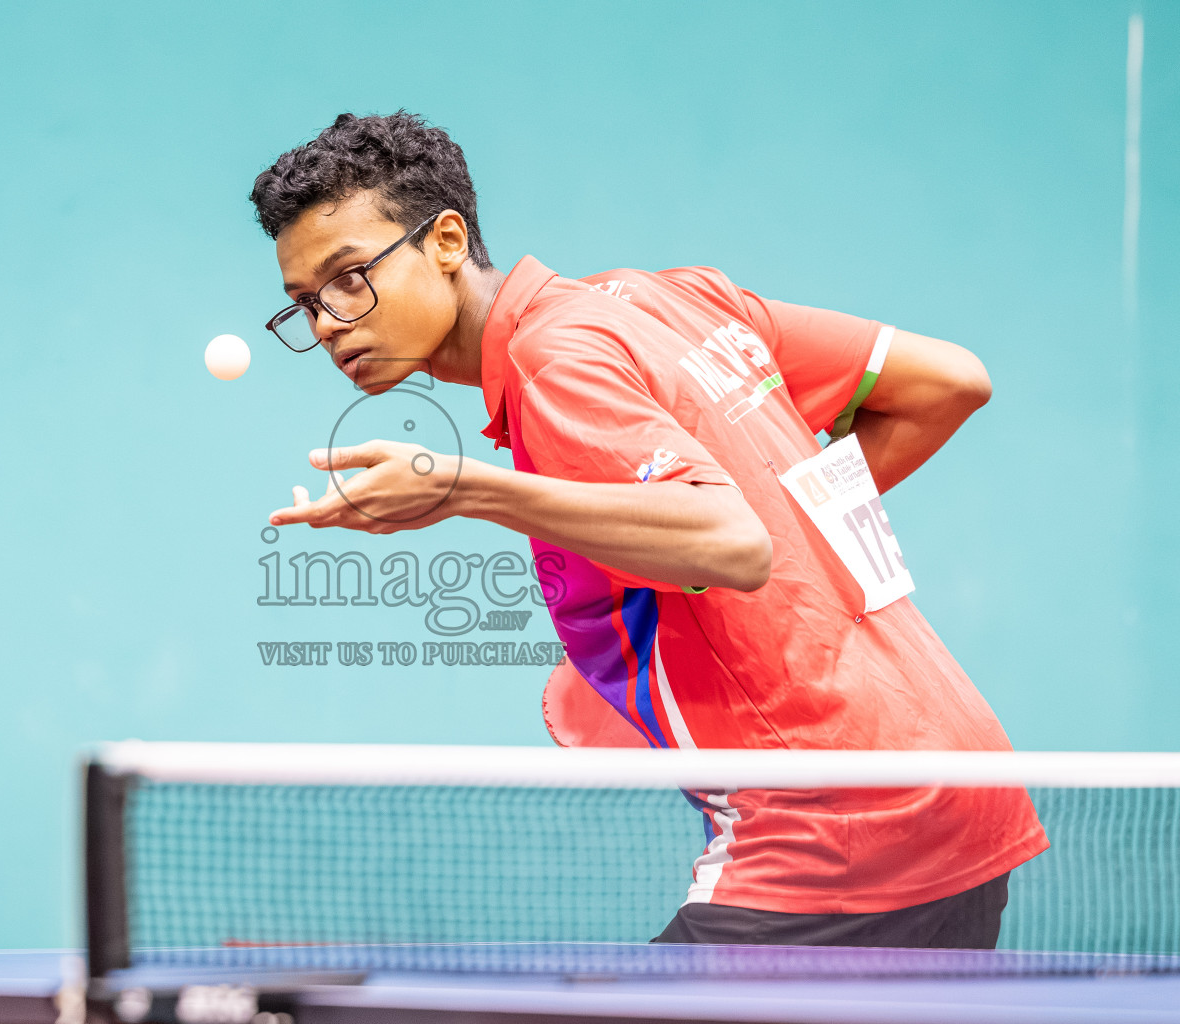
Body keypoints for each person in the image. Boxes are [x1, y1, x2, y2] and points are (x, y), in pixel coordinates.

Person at [251, 111, 1046, 949]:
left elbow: (732, 543)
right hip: (955, 778)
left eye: (349, 278)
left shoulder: (553, 362)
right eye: (304, 304)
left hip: (833, 820)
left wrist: (463, 488)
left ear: (447, 240)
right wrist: (791, 525)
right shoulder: (671, 300)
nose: (327, 322)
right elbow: (947, 382)